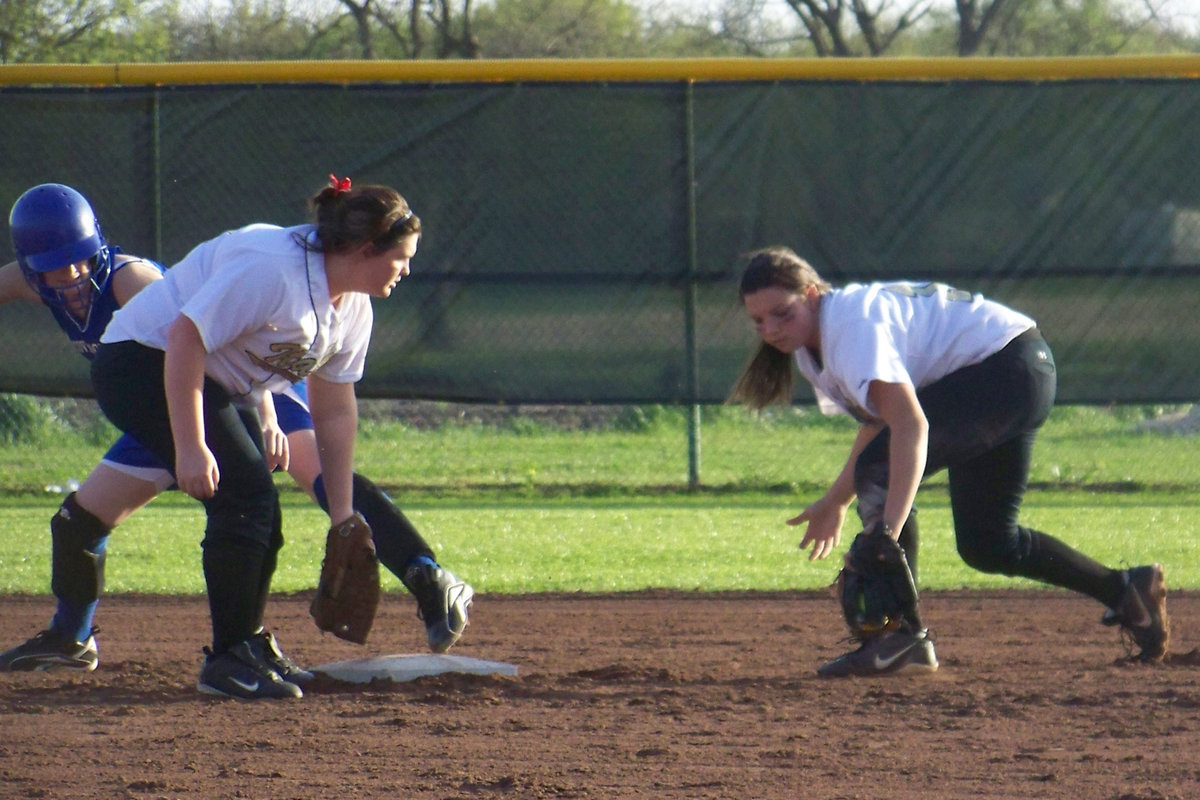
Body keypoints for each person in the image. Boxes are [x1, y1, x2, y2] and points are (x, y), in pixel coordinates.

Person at [0, 181, 472, 698]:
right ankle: (227, 658)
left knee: (254, 500)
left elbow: (335, 410)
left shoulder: (352, 308)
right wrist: (191, 445)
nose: (407, 269)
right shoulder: (274, 268)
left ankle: (247, 644)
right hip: (148, 367)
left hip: (224, 384)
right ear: (364, 250)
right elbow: (183, 338)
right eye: (401, 257)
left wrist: (342, 516)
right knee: (246, 496)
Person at [729, 245, 1169, 677]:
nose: (770, 328)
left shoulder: (848, 326)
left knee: (880, 470)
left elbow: (909, 427)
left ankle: (900, 640)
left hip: (1004, 369)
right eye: (758, 321)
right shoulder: (816, 345)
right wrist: (836, 501)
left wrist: (886, 534)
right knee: (988, 543)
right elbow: (881, 423)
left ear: (810, 294)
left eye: (781, 313)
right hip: (1011, 370)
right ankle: (1127, 590)